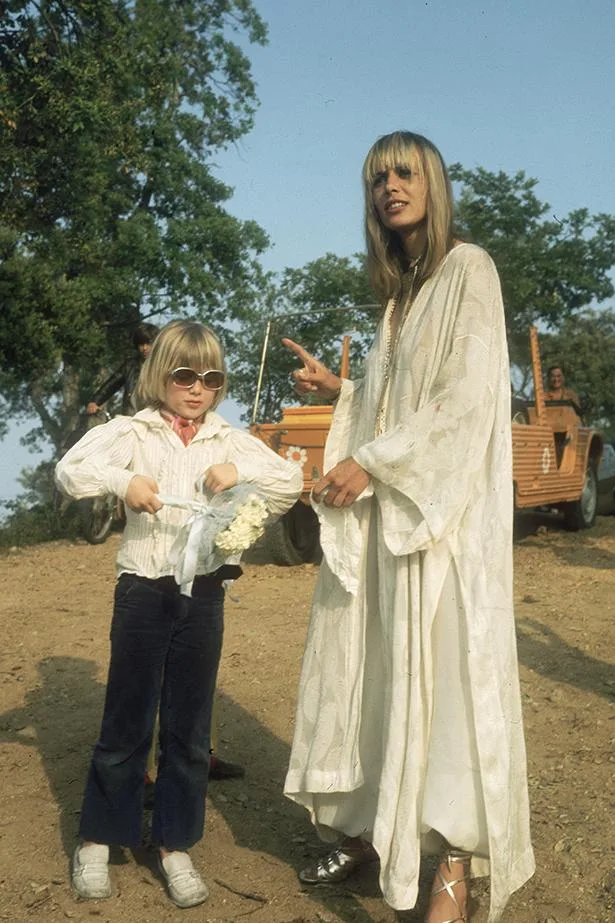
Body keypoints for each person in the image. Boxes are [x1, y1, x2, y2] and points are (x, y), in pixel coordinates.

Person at [282, 132, 534, 923]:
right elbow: (401, 399)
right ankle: (377, 828)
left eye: (402, 171)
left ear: (432, 181)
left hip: (440, 523)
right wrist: (346, 389)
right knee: (384, 673)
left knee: (448, 684)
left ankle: (453, 862)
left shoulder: (470, 269)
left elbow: (463, 400)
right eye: (375, 179)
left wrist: (375, 463)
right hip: (394, 518)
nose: (389, 186)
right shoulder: (399, 298)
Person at [55, 319, 302, 908]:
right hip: (143, 587)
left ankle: (174, 842)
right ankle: (99, 838)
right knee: (127, 718)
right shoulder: (131, 431)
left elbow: (291, 479)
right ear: (159, 374)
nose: (197, 388)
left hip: (205, 592)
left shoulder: (226, 438)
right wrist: (123, 482)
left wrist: (240, 473)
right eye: (184, 375)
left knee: (190, 725)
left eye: (210, 378)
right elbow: (69, 472)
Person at [86, 321, 160, 417]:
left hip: (157, 418)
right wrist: (95, 401)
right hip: (132, 417)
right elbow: (112, 384)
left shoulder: (165, 365)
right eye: (141, 344)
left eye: (148, 343)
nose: (145, 348)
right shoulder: (130, 365)